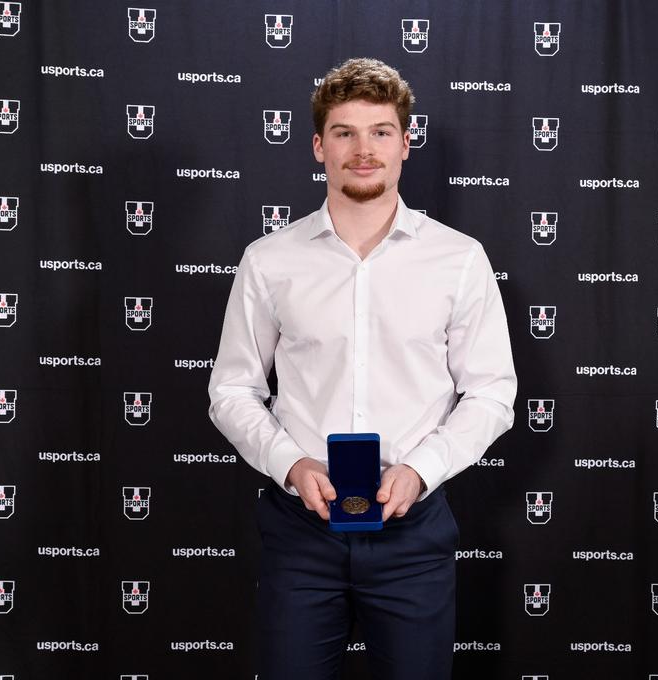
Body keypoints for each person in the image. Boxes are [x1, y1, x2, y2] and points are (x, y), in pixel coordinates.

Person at [207, 57, 517, 680]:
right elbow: (232, 390)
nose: (363, 149)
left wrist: (422, 471)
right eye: (345, 132)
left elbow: (491, 394)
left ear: (406, 143)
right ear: (319, 146)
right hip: (302, 533)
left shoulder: (458, 259)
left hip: (413, 533)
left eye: (380, 131)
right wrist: (291, 464)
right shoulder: (269, 261)